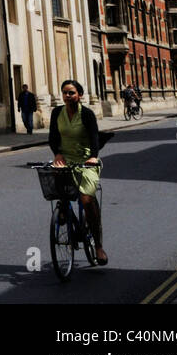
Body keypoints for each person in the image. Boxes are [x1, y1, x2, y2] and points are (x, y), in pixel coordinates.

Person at [49, 79, 107, 265]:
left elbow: (94, 138)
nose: (67, 95)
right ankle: (64, 209)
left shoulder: (87, 114)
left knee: (87, 200)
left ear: (79, 95)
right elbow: (52, 136)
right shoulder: (57, 112)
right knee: (59, 187)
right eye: (65, 92)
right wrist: (57, 153)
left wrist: (93, 157)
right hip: (65, 158)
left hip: (85, 161)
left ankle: (98, 246)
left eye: (71, 92)